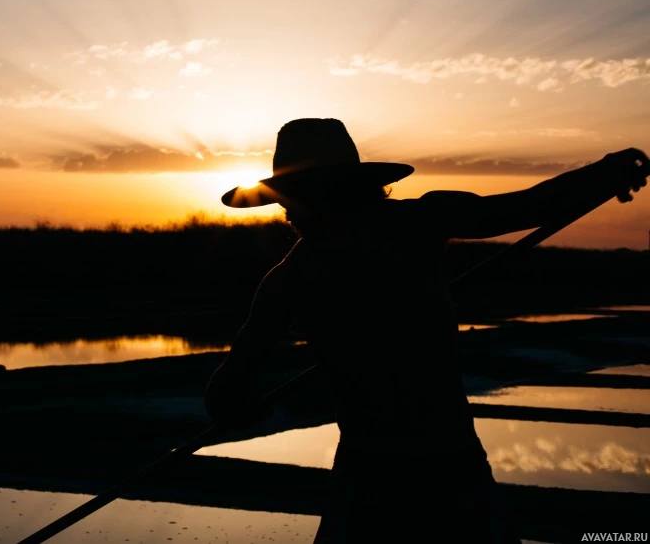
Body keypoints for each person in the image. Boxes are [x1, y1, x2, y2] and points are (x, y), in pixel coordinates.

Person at [203, 118, 648, 543]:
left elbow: (226, 391)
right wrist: (605, 175)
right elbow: (525, 206)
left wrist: (243, 407)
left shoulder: (289, 278)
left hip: (374, 477)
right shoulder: (419, 222)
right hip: (445, 466)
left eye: (290, 196)